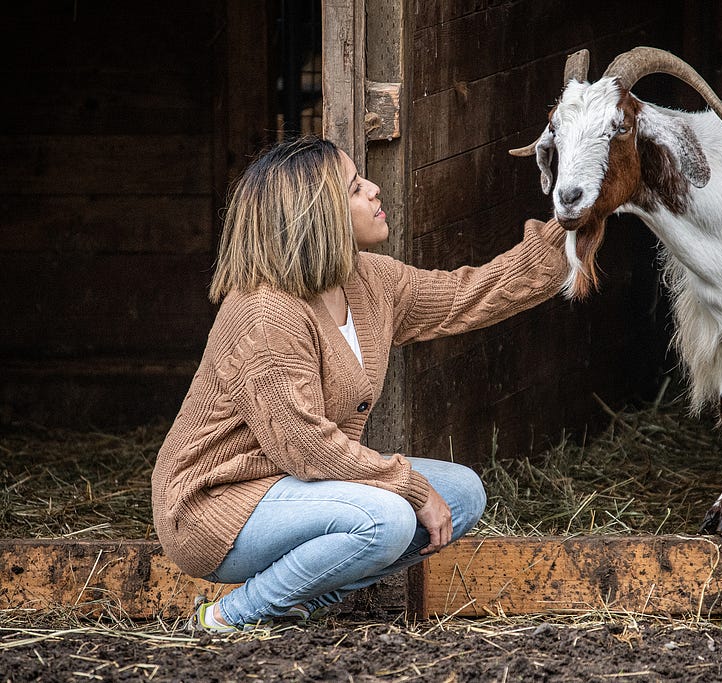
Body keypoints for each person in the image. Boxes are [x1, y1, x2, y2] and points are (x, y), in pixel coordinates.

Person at [151, 136, 568, 632]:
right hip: (216, 505)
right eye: (354, 187)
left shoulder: (368, 279)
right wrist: (411, 488)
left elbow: (467, 295)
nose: (373, 190)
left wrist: (565, 237)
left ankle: (296, 598)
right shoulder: (266, 312)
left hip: (295, 488)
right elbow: (307, 449)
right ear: (318, 215)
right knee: (388, 519)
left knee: (462, 494)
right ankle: (231, 615)